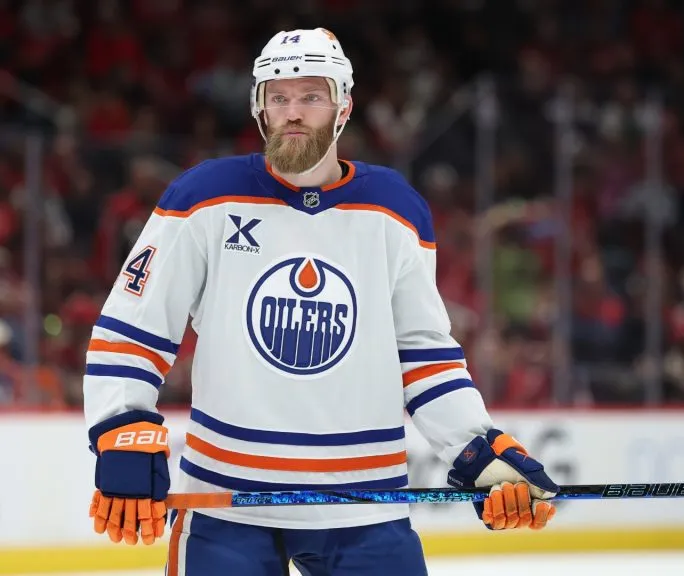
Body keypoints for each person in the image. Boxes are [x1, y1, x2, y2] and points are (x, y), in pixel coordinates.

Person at [82, 28, 559, 575]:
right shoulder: (203, 198)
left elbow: (423, 356)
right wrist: (122, 427)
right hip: (225, 504)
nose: (292, 112)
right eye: (278, 96)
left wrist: (477, 450)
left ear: (343, 107)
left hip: (365, 503)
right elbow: (132, 331)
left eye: (311, 96)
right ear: (259, 108)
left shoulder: (395, 210)